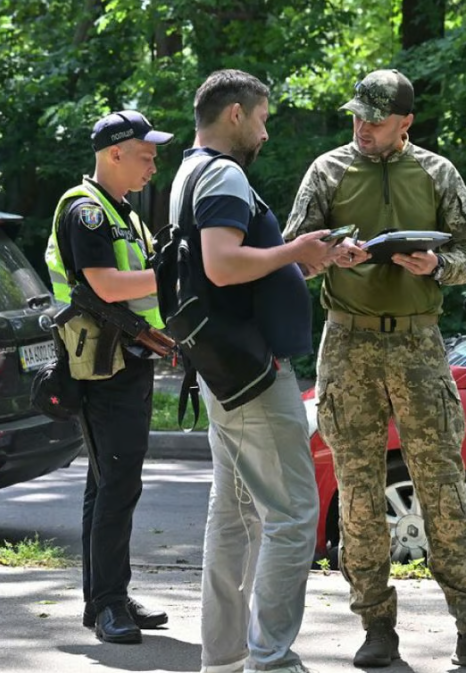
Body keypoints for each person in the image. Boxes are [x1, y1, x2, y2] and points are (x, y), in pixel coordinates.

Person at [284, 68, 466, 672]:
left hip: (418, 344)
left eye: (376, 120)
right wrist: (328, 254)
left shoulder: (438, 173)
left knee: (443, 488)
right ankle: (375, 624)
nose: (362, 128)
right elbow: (291, 259)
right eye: (356, 116)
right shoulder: (327, 171)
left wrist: (435, 267)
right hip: (347, 343)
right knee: (358, 491)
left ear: (406, 122)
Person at [170, 69, 337, 673]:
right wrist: (295, 252)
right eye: (263, 118)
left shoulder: (189, 170)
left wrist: (305, 261)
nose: (266, 132)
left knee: (235, 515)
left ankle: (225, 657)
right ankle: (271, 661)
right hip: (251, 375)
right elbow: (221, 265)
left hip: (222, 369)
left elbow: (236, 267)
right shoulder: (222, 172)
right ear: (235, 113)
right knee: (293, 514)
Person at [43, 110, 173, 645]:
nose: (153, 166)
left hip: (127, 361)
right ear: (115, 153)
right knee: (117, 483)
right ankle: (108, 604)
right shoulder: (86, 213)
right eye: (146, 155)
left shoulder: (125, 214)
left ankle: (104, 599)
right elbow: (105, 286)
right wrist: (179, 274)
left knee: (108, 483)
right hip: (102, 367)